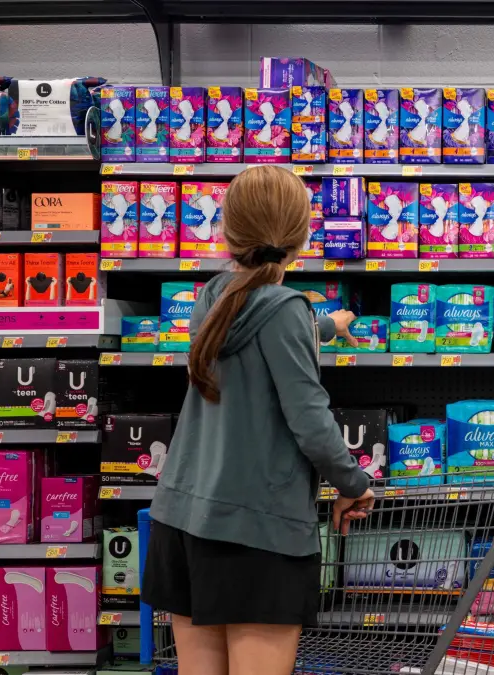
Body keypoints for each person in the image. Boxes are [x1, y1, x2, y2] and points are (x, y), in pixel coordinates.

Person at [142, 165, 376, 675]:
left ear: (227, 232)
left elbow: (249, 335)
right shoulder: (284, 308)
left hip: (182, 523)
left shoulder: (211, 297)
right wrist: (355, 483)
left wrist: (323, 327)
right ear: (303, 236)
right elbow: (310, 420)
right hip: (256, 533)